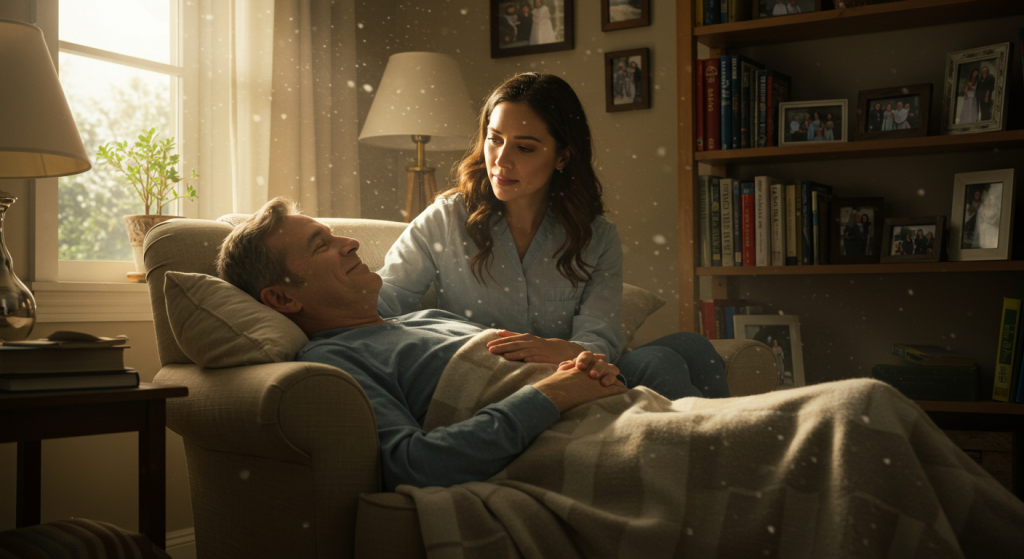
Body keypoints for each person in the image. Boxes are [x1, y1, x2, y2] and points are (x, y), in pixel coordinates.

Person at [216, 197, 629, 491]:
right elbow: (414, 465)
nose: (351, 244)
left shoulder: (425, 319)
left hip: (617, 411)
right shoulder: (335, 359)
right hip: (589, 441)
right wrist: (553, 393)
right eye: (322, 246)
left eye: (334, 236)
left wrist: (586, 367)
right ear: (284, 298)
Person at [377, 72, 729, 402]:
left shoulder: (595, 236)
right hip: (499, 382)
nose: (501, 160)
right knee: (660, 364)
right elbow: (382, 302)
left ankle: (723, 453)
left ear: (562, 156)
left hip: (574, 368)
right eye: (494, 139)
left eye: (524, 148)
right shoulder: (445, 220)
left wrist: (566, 350)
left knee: (693, 346)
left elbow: (599, 333)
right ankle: (718, 456)